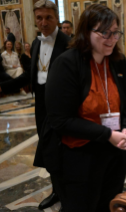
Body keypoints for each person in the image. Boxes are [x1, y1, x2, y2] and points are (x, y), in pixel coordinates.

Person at [42, 4, 126, 212]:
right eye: (104, 33)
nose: (111, 39)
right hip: (81, 156)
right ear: (86, 31)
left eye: (115, 33)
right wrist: (107, 134)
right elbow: (60, 120)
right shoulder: (67, 64)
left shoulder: (118, 62)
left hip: (114, 152)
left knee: (108, 203)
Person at [0, 0, 70, 210]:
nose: (43, 22)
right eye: (39, 17)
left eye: (48, 17)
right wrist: (4, 87)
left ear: (55, 18)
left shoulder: (68, 44)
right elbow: (31, 75)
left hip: (63, 110)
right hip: (42, 109)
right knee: (50, 155)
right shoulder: (37, 43)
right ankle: (57, 191)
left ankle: (68, 196)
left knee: (64, 155)